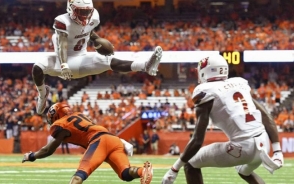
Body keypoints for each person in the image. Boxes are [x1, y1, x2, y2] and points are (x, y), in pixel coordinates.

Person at [161, 55, 284, 184]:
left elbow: (197, 140)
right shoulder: (239, 84)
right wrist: (277, 150)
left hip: (243, 148)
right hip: (264, 144)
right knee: (244, 171)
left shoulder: (205, 91)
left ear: (205, 72)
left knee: (190, 164)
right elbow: (265, 115)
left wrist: (174, 169)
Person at [33, 0, 163, 114]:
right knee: (38, 66)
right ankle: (42, 94)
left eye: (87, 12)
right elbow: (62, 45)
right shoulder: (63, 21)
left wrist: (98, 40)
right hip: (63, 62)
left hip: (81, 59)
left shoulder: (94, 16)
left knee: (108, 60)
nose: (85, 16)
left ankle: (145, 66)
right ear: (70, 8)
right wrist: (64, 65)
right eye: (81, 12)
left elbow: (87, 31)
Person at [22, 102, 153, 184]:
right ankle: (143, 171)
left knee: (80, 175)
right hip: (113, 139)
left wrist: (31, 156)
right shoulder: (79, 115)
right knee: (125, 173)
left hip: (99, 141)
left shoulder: (61, 124)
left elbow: (48, 150)